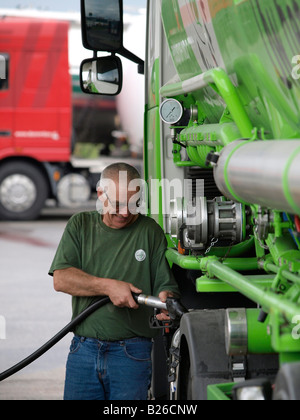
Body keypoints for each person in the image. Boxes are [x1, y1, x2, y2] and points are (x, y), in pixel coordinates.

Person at [48, 162, 179, 400]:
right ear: (100, 194)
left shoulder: (149, 231)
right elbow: (61, 279)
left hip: (132, 354)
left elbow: (164, 285)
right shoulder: (80, 225)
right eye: (118, 203)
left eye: (133, 203)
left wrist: (165, 301)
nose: (126, 212)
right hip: (83, 350)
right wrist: (109, 287)